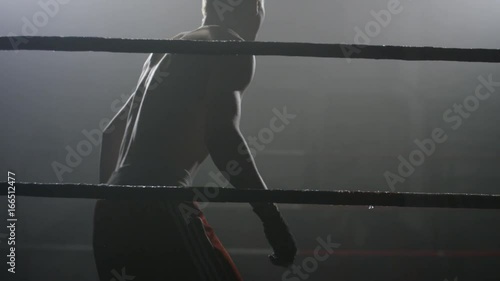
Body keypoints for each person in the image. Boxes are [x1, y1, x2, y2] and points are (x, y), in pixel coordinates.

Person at [93, 0, 297, 280]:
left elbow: (111, 133)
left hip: (111, 208)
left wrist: (112, 200)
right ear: (252, 9)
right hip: (160, 201)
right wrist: (271, 217)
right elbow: (222, 137)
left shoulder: (165, 50)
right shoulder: (229, 45)